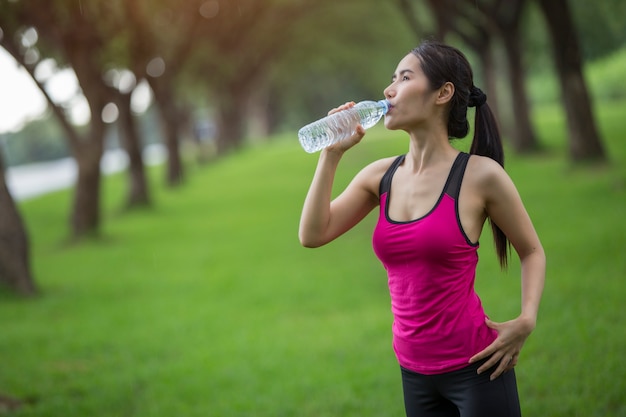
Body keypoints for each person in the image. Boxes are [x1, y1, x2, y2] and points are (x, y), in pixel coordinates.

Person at [298, 40, 546, 417]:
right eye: (392, 78)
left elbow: (531, 251)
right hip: (413, 373)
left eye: (405, 77)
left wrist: (527, 318)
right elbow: (312, 235)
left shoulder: (480, 177)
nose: (389, 89)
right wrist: (331, 154)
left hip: (477, 368)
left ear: (443, 93)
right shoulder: (380, 176)